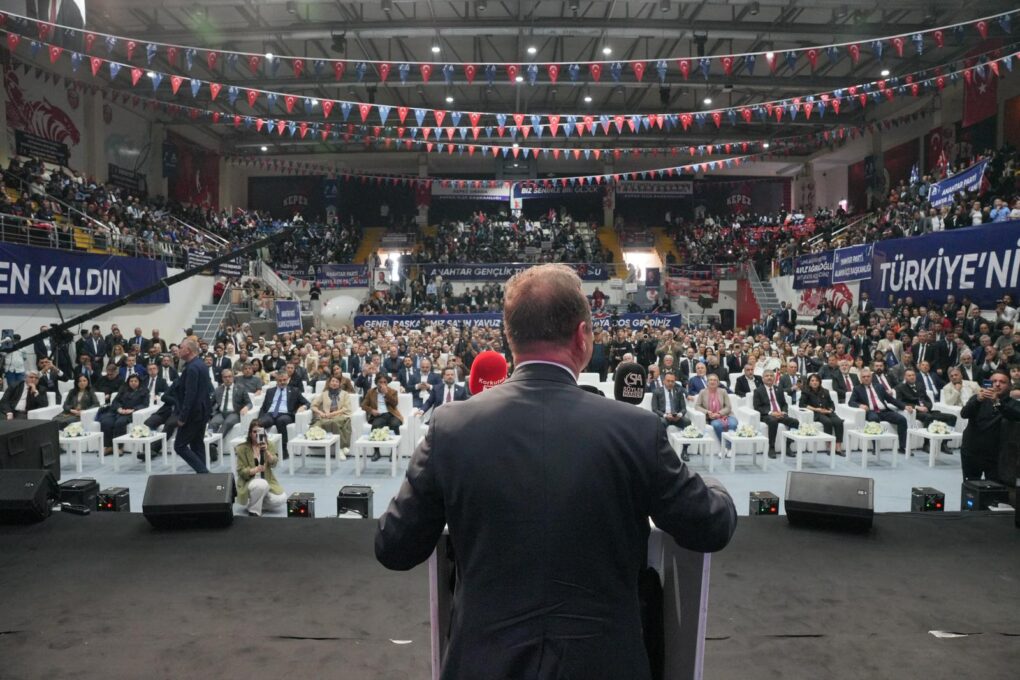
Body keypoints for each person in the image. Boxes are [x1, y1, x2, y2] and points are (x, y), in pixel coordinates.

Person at [375, 263, 736, 680]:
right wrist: (715, 486)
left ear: (509, 336)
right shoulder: (635, 430)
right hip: (603, 666)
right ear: (582, 336)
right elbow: (709, 526)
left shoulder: (451, 427)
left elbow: (395, 547)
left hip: (485, 663)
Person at [960, 370, 1020, 483]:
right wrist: (977, 400)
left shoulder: (1013, 404)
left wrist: (997, 402)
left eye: (1002, 382)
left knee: (994, 489)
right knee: (970, 487)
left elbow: (1015, 415)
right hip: (972, 451)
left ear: (1010, 386)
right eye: (994, 381)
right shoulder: (978, 399)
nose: (997, 384)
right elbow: (964, 414)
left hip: (997, 455)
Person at [173, 338, 213, 473]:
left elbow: (190, 394)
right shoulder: (201, 364)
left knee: (179, 446)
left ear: (188, 350)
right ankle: (203, 477)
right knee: (197, 444)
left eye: (181, 348)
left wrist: (182, 417)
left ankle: (204, 473)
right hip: (202, 411)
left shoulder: (192, 368)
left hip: (193, 414)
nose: (178, 350)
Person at [849, 367, 909, 454]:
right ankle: (875, 448)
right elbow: (851, 402)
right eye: (864, 377)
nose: (866, 378)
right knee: (874, 419)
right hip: (871, 412)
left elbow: (891, 400)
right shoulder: (857, 389)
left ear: (871, 377)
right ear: (860, 378)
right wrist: (860, 405)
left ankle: (902, 447)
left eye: (868, 376)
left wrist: (904, 406)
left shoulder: (879, 387)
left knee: (902, 419)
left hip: (884, 411)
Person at [234, 421, 286, 517]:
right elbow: (241, 471)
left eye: (259, 431)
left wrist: (266, 451)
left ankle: (256, 502)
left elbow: (274, 463)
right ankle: (254, 511)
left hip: (267, 482)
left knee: (282, 498)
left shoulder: (269, 444)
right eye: (254, 432)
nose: (256, 434)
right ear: (250, 433)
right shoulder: (242, 448)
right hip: (249, 482)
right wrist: (256, 470)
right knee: (261, 484)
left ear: (263, 432)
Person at [257, 371, 309, 458]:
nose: (282, 382)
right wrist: (259, 418)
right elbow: (264, 407)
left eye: (284, 380)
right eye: (280, 380)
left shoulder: (294, 391)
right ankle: (261, 449)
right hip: (271, 414)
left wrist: (303, 407)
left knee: (281, 421)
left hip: (286, 414)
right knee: (259, 424)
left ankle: (284, 450)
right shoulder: (270, 391)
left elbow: (307, 403)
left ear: (288, 379)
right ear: (276, 381)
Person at [753, 370, 801, 458]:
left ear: (774, 378)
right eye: (767, 376)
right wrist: (771, 413)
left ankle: (787, 446)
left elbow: (784, 404)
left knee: (795, 422)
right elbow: (757, 407)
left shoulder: (779, 389)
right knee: (773, 421)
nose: (769, 377)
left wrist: (783, 412)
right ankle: (771, 448)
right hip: (767, 415)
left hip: (780, 414)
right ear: (763, 379)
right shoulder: (758, 391)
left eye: (771, 376)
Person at [98, 374, 148, 453]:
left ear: (139, 382)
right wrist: (119, 408)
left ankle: (119, 447)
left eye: (135, 381)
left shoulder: (144, 391)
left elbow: (145, 404)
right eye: (131, 381)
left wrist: (133, 410)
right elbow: (115, 401)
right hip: (118, 411)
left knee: (120, 423)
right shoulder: (123, 389)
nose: (133, 383)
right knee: (106, 422)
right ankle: (108, 446)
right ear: (128, 382)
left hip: (130, 413)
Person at [799, 373, 844, 455]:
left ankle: (838, 447)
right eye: (812, 381)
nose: (814, 382)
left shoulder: (825, 391)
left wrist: (830, 410)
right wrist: (816, 409)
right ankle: (829, 446)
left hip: (826, 411)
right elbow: (802, 405)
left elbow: (831, 403)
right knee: (827, 422)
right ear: (809, 382)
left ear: (820, 382)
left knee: (839, 422)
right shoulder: (805, 392)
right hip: (816, 413)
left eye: (816, 381)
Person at [361, 373, 403, 461]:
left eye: (385, 382)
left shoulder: (392, 391)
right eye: (380, 382)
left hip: (392, 414)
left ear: (387, 383)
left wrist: (386, 393)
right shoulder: (371, 392)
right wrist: (372, 410)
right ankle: (377, 452)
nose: (383, 384)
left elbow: (395, 403)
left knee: (395, 424)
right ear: (376, 383)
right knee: (375, 426)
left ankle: (394, 452)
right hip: (379, 415)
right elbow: (363, 405)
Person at [310, 376, 354, 457]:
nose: (334, 383)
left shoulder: (345, 394)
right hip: (326, 416)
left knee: (333, 422)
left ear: (339, 384)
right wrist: (320, 412)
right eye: (333, 381)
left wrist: (332, 414)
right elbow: (313, 405)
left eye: (337, 382)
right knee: (328, 423)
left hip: (340, 415)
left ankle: (341, 447)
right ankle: (342, 448)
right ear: (329, 383)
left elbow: (345, 408)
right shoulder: (324, 394)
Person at [651, 372, 691, 459]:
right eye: (668, 381)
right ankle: (663, 451)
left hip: (676, 417)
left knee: (688, 422)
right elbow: (654, 409)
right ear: (664, 381)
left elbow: (684, 409)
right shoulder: (657, 392)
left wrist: (679, 415)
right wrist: (665, 415)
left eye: (672, 381)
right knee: (661, 422)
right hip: (664, 416)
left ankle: (685, 450)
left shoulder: (679, 391)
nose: (670, 383)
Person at [208, 369, 252, 440]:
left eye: (229, 376)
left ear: (233, 377)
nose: (227, 379)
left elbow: (249, 403)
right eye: (225, 377)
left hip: (234, 413)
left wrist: (246, 407)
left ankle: (216, 442)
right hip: (221, 413)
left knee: (227, 423)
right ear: (222, 378)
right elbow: (210, 403)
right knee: (212, 423)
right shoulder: (218, 389)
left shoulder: (241, 388)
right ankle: (209, 440)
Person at [694, 373, 738, 443]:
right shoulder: (702, 392)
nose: (712, 382)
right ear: (707, 382)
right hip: (712, 417)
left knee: (733, 424)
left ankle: (728, 446)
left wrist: (719, 413)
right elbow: (697, 406)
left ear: (718, 383)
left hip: (727, 415)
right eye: (710, 380)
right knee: (717, 425)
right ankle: (726, 446)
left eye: (715, 380)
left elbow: (728, 407)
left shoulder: (723, 391)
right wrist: (707, 412)